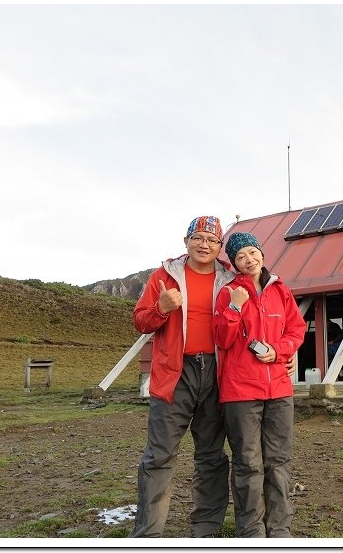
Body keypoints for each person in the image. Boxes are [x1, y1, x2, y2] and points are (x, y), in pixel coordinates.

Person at [129, 216, 234, 538]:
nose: (204, 245)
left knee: (211, 456)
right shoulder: (165, 276)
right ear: (186, 241)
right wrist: (161, 307)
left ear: (219, 247)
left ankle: (205, 530)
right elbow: (141, 322)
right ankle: (148, 534)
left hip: (217, 375)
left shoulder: (231, 279)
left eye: (212, 240)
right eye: (198, 237)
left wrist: (281, 358)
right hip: (174, 374)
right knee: (159, 456)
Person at [213, 232, 306, 538]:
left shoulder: (281, 290)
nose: (249, 260)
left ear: (262, 255)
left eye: (253, 252)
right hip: (240, 392)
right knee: (248, 463)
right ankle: (251, 532)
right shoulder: (228, 292)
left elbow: (296, 329)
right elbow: (222, 339)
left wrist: (280, 352)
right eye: (241, 256)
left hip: (279, 390)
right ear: (234, 263)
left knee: (279, 461)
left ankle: (279, 529)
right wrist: (236, 307)